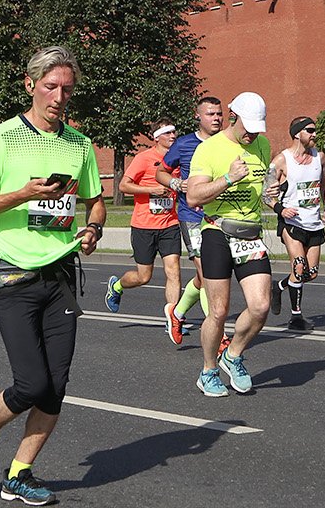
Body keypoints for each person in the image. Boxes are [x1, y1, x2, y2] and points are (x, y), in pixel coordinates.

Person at [0, 46, 103, 506]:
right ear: (30, 85)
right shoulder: (1, 138)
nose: (59, 96)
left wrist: (94, 227)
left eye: (67, 89)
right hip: (14, 275)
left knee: (56, 387)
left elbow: (94, 199)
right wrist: (23, 193)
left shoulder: (79, 144)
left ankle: (19, 474)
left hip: (60, 274)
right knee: (31, 384)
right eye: (50, 87)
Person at [185, 92, 277, 397]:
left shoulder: (262, 145)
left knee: (261, 305)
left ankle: (233, 354)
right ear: (233, 116)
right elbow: (194, 197)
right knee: (219, 311)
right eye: (247, 127)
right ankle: (208, 370)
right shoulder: (209, 149)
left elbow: (263, 190)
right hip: (216, 232)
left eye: (257, 128)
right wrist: (228, 177)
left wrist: (272, 190)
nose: (252, 134)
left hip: (249, 233)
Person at [154, 96, 223, 340]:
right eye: (211, 114)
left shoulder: (228, 143)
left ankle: (178, 312)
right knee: (207, 273)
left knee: (207, 274)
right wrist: (175, 183)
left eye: (219, 114)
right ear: (198, 116)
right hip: (191, 215)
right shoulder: (183, 144)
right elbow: (160, 172)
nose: (216, 118)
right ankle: (216, 332)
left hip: (219, 216)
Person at [105, 120, 183, 329]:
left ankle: (173, 319)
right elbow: (123, 185)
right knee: (144, 276)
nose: (173, 136)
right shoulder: (144, 158)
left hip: (170, 223)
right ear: (157, 137)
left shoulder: (177, 159)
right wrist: (151, 190)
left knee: (174, 270)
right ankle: (117, 285)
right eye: (168, 133)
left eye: (174, 131)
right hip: (144, 225)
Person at [269, 116, 325, 333]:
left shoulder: (319, 157)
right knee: (299, 265)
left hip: (314, 223)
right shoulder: (281, 161)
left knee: (311, 272)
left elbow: (324, 184)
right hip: (291, 222)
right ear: (297, 133)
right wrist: (281, 209)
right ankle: (296, 317)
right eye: (310, 130)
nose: (314, 134)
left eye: (315, 130)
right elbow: (266, 194)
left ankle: (278, 287)